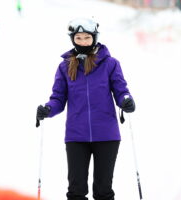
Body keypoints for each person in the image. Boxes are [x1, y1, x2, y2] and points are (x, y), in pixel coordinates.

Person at [36, 18, 135, 200]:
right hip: (76, 136)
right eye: (78, 38)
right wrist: (48, 109)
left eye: (87, 38)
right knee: (76, 190)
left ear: (94, 38)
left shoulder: (110, 64)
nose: (83, 42)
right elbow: (58, 98)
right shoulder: (65, 67)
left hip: (106, 135)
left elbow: (121, 91)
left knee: (103, 190)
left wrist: (126, 101)